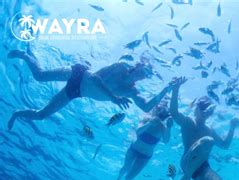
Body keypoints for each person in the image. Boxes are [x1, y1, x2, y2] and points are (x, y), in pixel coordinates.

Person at [7, 49, 167, 129]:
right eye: (144, 70)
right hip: (79, 74)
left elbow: (146, 107)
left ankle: (16, 113)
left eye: (148, 75)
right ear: (138, 65)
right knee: (40, 76)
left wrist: (166, 90)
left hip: (78, 92)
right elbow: (95, 78)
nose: (144, 75)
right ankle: (26, 56)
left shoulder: (132, 91)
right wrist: (113, 97)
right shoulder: (120, 67)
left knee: (41, 115)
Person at [113, 96, 173, 180]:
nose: (159, 113)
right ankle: (118, 179)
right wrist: (149, 123)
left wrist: (169, 127)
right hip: (133, 149)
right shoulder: (146, 119)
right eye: (158, 109)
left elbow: (166, 141)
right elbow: (138, 132)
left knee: (129, 178)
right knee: (126, 168)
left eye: (162, 112)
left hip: (145, 156)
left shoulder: (162, 127)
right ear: (155, 109)